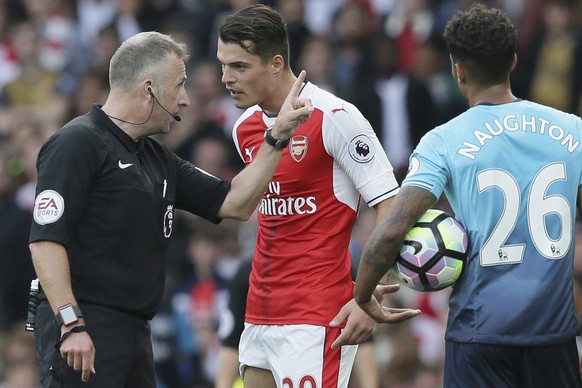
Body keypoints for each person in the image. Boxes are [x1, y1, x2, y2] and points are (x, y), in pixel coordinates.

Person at [28, 30, 313, 387]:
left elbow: (235, 202)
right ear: (149, 89)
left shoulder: (157, 157)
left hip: (135, 332)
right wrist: (72, 325)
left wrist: (276, 138)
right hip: (85, 329)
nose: (185, 101)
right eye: (179, 86)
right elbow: (45, 242)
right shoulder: (75, 143)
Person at [353, 4, 582, 387]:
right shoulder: (572, 130)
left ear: (456, 68)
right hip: (553, 337)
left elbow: (392, 230)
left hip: (479, 336)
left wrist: (362, 294)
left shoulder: (443, 140)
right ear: (513, 59)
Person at [216, 5, 420, 387]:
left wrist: (369, 292)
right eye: (223, 65)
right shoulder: (244, 128)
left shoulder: (336, 116)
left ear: (276, 63)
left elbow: (392, 208)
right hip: (258, 309)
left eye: (239, 66)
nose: (226, 78)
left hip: (315, 315)